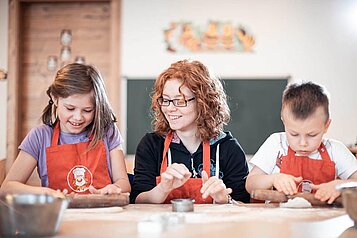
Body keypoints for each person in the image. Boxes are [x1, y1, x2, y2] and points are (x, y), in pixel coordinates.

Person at [1, 63, 130, 196]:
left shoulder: (107, 132)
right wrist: (44, 192)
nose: (78, 117)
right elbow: (7, 187)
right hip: (58, 215)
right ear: (55, 99)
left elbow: (123, 183)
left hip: (103, 214)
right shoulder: (40, 136)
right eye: (70, 108)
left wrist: (114, 188)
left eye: (87, 110)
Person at [131, 60, 250, 204]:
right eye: (165, 100)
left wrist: (224, 199)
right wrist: (163, 188)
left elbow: (245, 205)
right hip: (168, 226)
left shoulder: (228, 148)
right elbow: (138, 201)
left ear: (203, 102)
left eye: (180, 101)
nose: (169, 108)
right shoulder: (151, 145)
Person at [246, 81, 357, 204]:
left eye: (312, 135)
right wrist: (273, 179)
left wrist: (340, 186)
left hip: (321, 220)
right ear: (284, 122)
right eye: (294, 134)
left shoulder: (335, 150)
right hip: (278, 220)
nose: (303, 143)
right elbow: (250, 183)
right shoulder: (276, 144)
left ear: (326, 126)